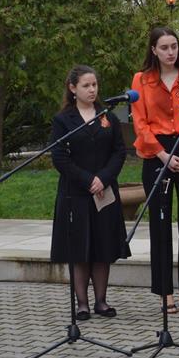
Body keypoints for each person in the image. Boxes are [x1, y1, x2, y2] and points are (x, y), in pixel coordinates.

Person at [131, 26, 179, 314]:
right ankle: (165, 292)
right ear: (153, 50)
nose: (170, 52)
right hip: (157, 152)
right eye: (164, 47)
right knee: (160, 225)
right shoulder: (142, 80)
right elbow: (140, 123)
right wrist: (162, 155)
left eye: (174, 46)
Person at [50, 65, 130, 321]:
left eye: (94, 84)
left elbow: (119, 151)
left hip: (103, 192)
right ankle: (82, 303)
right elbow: (60, 157)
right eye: (86, 85)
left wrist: (103, 179)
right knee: (79, 248)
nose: (92, 90)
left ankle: (101, 301)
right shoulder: (64, 120)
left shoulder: (108, 116)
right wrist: (88, 180)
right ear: (73, 88)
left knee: (102, 246)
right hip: (76, 193)